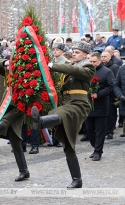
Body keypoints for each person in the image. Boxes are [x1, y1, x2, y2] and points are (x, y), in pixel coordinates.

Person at [31, 42, 95, 188]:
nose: (74, 54)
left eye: (78, 52)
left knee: (60, 113)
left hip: (79, 105)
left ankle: (40, 122)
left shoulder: (88, 67)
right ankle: (77, 180)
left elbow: (75, 71)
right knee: (68, 145)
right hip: (67, 104)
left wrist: (52, 65)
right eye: (73, 52)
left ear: (86, 55)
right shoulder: (72, 67)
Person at [86, 53, 114, 161]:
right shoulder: (87, 71)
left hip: (101, 105)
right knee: (89, 130)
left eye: (94, 62)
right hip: (88, 105)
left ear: (100, 61)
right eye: (91, 62)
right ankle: (95, 147)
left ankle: (98, 151)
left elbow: (111, 86)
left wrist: (99, 94)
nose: (92, 64)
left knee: (100, 130)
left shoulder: (107, 72)